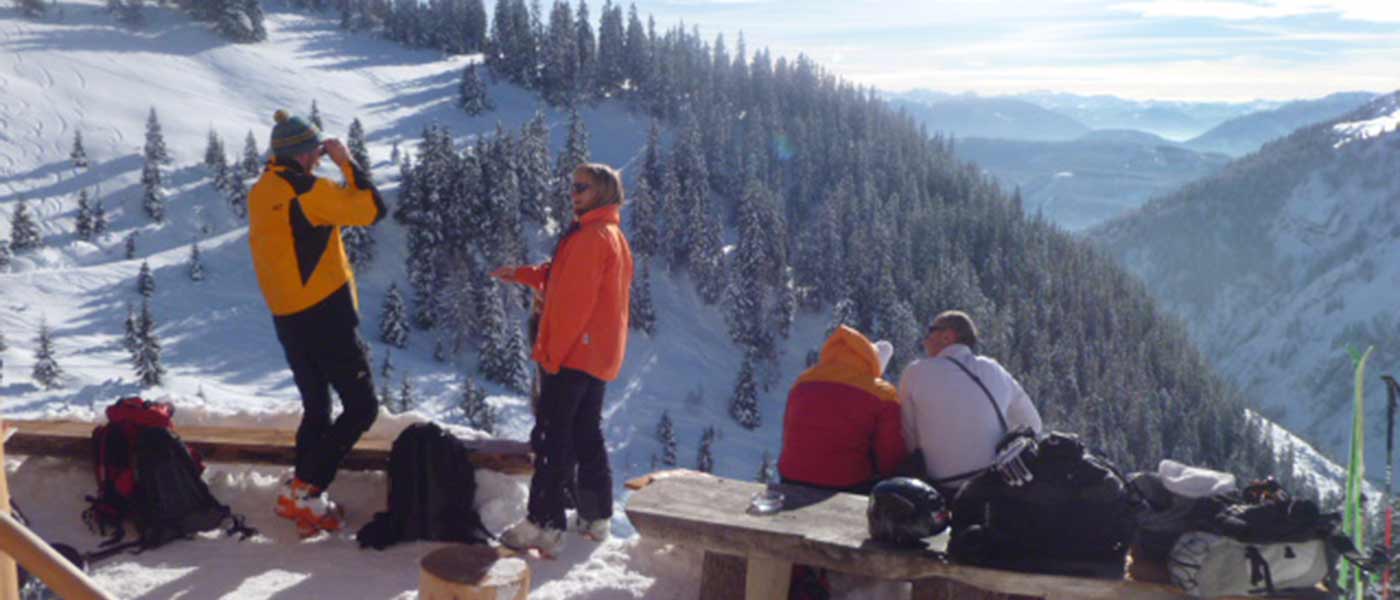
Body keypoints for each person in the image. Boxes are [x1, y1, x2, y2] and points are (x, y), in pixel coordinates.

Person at [247, 109, 385, 536]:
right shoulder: (310, 192)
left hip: (288, 315)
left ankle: (299, 494)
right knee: (362, 406)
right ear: (305, 155)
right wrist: (347, 162)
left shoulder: (263, 189)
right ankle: (308, 490)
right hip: (325, 311)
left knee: (318, 406)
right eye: (315, 152)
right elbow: (372, 208)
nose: (319, 159)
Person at [492, 162, 634, 556]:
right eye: (572, 186)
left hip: (573, 354)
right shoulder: (610, 234)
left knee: (552, 436)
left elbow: (574, 303)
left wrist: (550, 356)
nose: (574, 192)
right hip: (596, 356)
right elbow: (563, 277)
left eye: (583, 187)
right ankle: (595, 516)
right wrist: (524, 274)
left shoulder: (591, 237)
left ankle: (544, 524)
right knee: (586, 433)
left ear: (603, 191)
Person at [900, 310, 1042, 496]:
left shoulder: (915, 373)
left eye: (930, 331)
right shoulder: (994, 369)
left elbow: (908, 436)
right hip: (991, 486)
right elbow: (1033, 425)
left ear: (947, 336)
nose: (925, 339)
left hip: (940, 488)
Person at [778, 325, 904, 494]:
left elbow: (788, 432)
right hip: (847, 484)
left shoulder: (803, 381)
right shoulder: (883, 394)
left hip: (790, 476)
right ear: (872, 362)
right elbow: (891, 455)